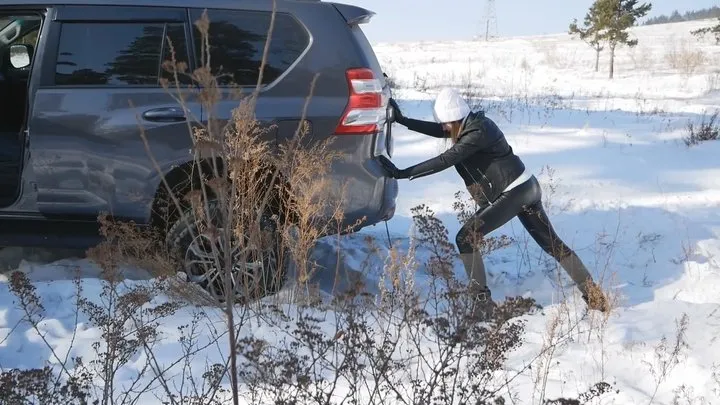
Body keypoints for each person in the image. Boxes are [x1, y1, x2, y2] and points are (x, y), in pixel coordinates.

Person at [379, 88, 609, 319]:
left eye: (446, 124)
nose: (444, 128)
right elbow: (439, 131)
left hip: (514, 192)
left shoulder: (477, 132)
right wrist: (403, 120)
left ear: (456, 119)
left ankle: (482, 305)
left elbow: (446, 159)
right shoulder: (473, 125)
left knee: (465, 238)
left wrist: (402, 173)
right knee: (552, 245)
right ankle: (595, 296)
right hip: (525, 186)